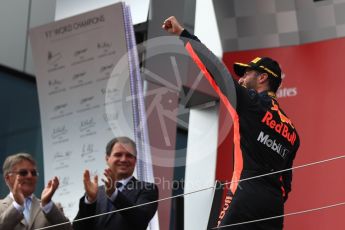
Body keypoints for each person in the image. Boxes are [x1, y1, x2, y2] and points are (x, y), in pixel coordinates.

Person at [163, 16, 300, 229]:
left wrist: (183, 35)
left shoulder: (251, 102)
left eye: (246, 74)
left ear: (263, 78)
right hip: (274, 208)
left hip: (246, 195)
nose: (242, 80)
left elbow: (216, 70)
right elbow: (285, 185)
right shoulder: (292, 132)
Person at [73, 136, 158, 230]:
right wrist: (90, 201)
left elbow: (140, 221)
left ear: (135, 161)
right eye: (118, 155)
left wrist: (114, 194)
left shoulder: (147, 189)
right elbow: (77, 228)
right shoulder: (95, 193)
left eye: (129, 155)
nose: (123, 159)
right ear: (107, 159)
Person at [0, 153, 72, 230]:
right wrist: (17, 205)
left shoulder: (51, 208)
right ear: (8, 178)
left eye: (33, 173)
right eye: (23, 173)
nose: (30, 176)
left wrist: (47, 204)